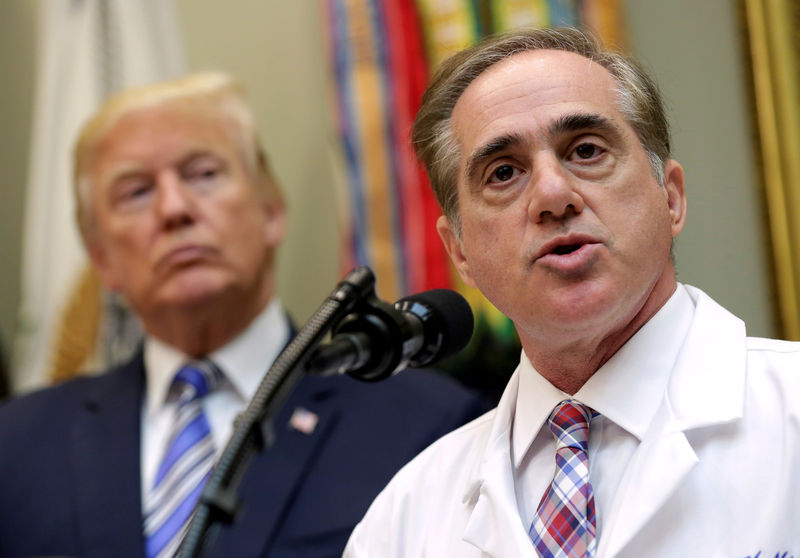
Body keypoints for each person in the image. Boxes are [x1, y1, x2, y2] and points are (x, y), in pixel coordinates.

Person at [344, 26, 800, 558]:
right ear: (460, 251)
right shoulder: (405, 519)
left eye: (585, 150)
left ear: (670, 197)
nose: (553, 195)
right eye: (504, 172)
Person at [0, 72, 487, 558]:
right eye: (136, 192)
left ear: (270, 209)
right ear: (100, 257)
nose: (174, 209)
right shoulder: (17, 445)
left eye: (204, 174)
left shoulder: (431, 427)